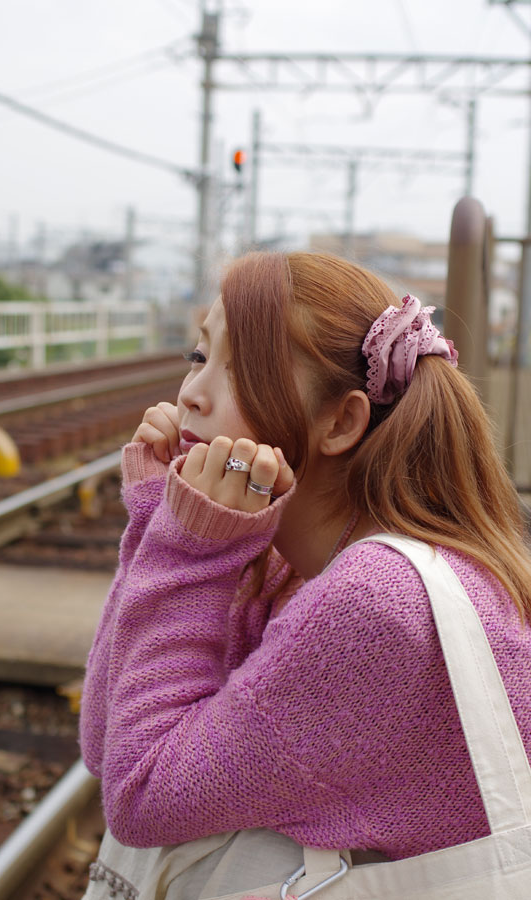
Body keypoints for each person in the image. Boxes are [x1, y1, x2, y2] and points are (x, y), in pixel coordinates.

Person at [78, 251, 531, 895]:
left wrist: (188, 551)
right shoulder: (290, 572)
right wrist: (159, 525)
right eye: (198, 356)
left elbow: (140, 796)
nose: (191, 394)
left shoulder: (376, 602)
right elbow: (107, 743)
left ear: (340, 422)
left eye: (242, 371)